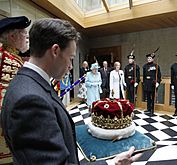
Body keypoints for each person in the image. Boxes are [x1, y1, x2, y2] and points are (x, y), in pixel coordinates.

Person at [1, 18, 141, 164]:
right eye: (71, 58)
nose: (70, 66)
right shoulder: (30, 101)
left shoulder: (28, 82)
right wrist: (113, 163)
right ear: (55, 51)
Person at [0, 16, 31, 163]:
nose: (27, 37)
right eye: (24, 33)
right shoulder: (4, 56)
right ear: (12, 36)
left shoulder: (14, 57)